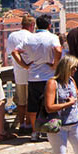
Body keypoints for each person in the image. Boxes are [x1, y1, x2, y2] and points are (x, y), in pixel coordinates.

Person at [12, 14, 61, 142]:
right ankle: (50, 129)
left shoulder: (29, 38)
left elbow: (14, 52)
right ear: (49, 25)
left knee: (33, 106)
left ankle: (35, 131)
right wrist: (55, 65)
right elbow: (59, 50)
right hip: (49, 77)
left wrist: (24, 65)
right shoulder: (52, 37)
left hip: (33, 77)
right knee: (50, 104)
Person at [6, 14, 36, 135]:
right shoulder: (32, 37)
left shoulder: (12, 36)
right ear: (32, 25)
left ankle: (21, 123)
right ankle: (28, 124)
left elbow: (10, 53)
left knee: (21, 102)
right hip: (31, 73)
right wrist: (26, 65)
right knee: (30, 101)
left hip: (18, 73)